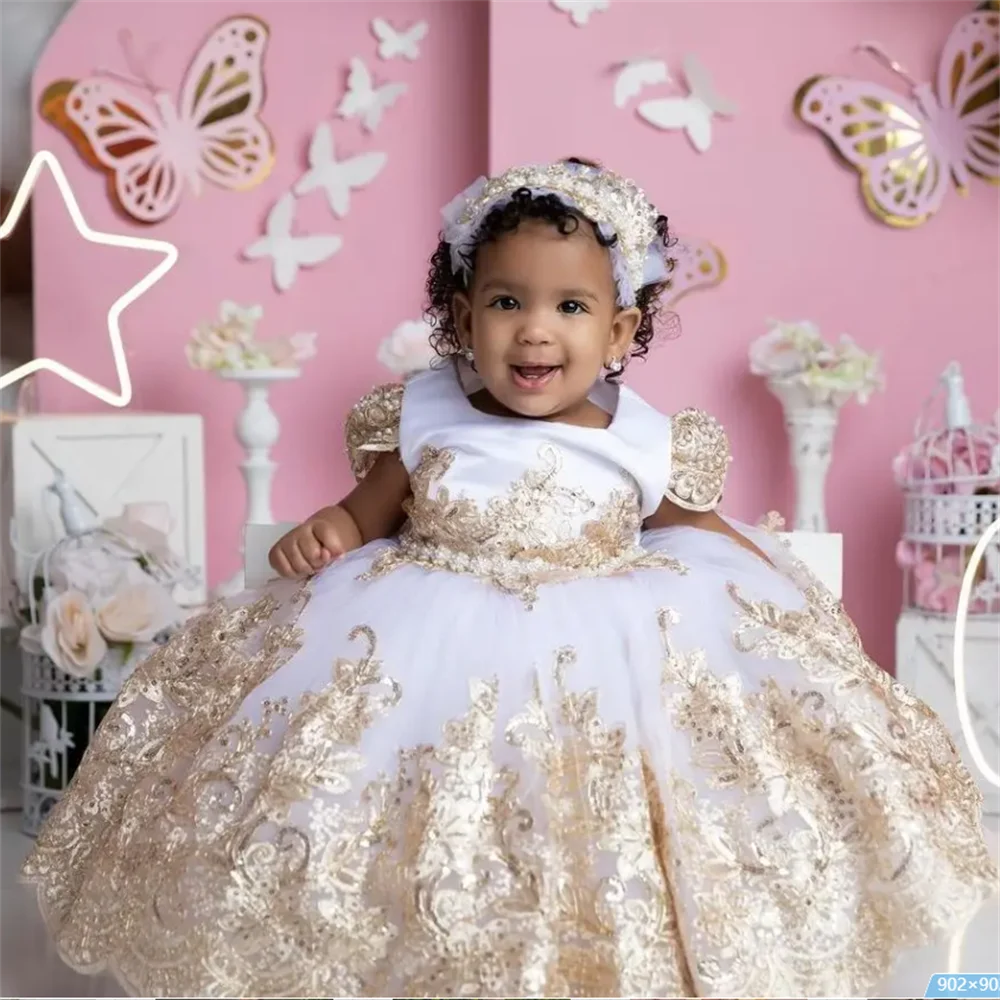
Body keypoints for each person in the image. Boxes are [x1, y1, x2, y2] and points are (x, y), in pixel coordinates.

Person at [21, 158, 996, 999]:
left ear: (618, 333)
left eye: (570, 307)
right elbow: (369, 511)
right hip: (423, 620)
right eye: (506, 302)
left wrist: (770, 587)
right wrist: (326, 530)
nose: (536, 331)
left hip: (597, 638)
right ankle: (397, 947)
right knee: (388, 783)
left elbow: (687, 527)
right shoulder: (428, 413)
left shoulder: (639, 436)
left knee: (588, 798)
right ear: (460, 317)